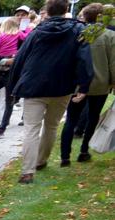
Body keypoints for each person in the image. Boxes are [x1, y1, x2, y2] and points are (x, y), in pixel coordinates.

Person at [9, 0, 93, 183]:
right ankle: (41, 161)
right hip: (62, 87)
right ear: (65, 11)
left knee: (31, 128)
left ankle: (27, 171)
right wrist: (84, 85)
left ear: (47, 11)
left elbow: (20, 58)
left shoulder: (37, 31)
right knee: (51, 126)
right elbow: (84, 59)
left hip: (34, 86)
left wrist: (13, 86)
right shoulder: (78, 31)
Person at [60, 3, 114, 166]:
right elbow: (113, 63)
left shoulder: (78, 33)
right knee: (93, 117)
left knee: (71, 119)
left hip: (77, 84)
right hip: (100, 84)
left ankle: (65, 157)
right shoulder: (109, 36)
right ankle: (84, 150)